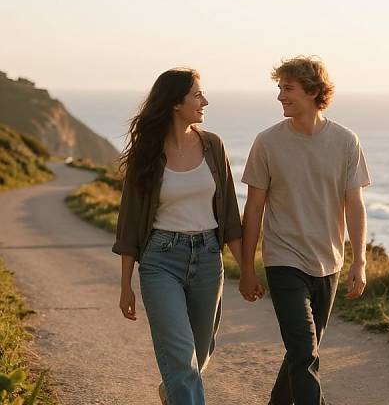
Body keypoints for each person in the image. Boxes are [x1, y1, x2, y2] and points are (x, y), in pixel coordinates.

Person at [239, 56, 371, 405]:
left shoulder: (345, 141)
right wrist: (248, 268)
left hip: (329, 262)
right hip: (283, 259)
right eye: (279, 88)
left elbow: (354, 205)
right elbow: (253, 208)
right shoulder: (267, 142)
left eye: (288, 89)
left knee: (302, 353)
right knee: (303, 350)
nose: (280, 96)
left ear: (313, 92)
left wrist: (359, 261)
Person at [112, 68, 243, 405]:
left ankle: (172, 392)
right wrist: (126, 284)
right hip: (160, 260)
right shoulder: (148, 152)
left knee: (201, 352)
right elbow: (129, 221)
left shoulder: (213, 146)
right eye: (197, 95)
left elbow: (229, 214)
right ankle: (180, 390)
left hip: (208, 257)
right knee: (183, 360)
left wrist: (249, 270)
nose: (205, 101)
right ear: (175, 102)